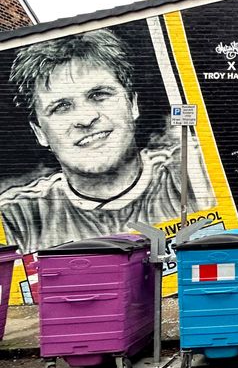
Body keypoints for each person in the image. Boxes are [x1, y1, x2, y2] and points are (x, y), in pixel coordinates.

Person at [0, 28, 213, 254]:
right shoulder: (16, 219)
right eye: (61, 107)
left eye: (99, 95)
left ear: (133, 104)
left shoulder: (197, 173)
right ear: (40, 132)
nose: (85, 118)